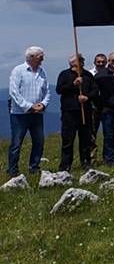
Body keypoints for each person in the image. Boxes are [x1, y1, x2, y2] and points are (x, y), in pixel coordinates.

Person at [7, 46, 50, 177]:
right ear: (31, 57)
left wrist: (42, 104)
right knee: (16, 142)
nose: (42, 58)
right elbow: (14, 92)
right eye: (40, 56)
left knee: (39, 141)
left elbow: (47, 91)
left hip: (37, 114)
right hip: (20, 114)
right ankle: (13, 170)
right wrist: (29, 106)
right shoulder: (18, 70)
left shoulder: (42, 72)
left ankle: (34, 167)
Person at [56, 54, 99, 171]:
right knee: (68, 140)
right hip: (69, 111)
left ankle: (85, 162)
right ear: (72, 63)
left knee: (85, 139)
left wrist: (87, 97)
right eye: (79, 60)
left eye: (82, 60)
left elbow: (95, 90)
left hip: (85, 111)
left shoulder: (88, 75)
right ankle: (65, 165)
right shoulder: (64, 74)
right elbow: (59, 89)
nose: (82, 62)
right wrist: (73, 84)